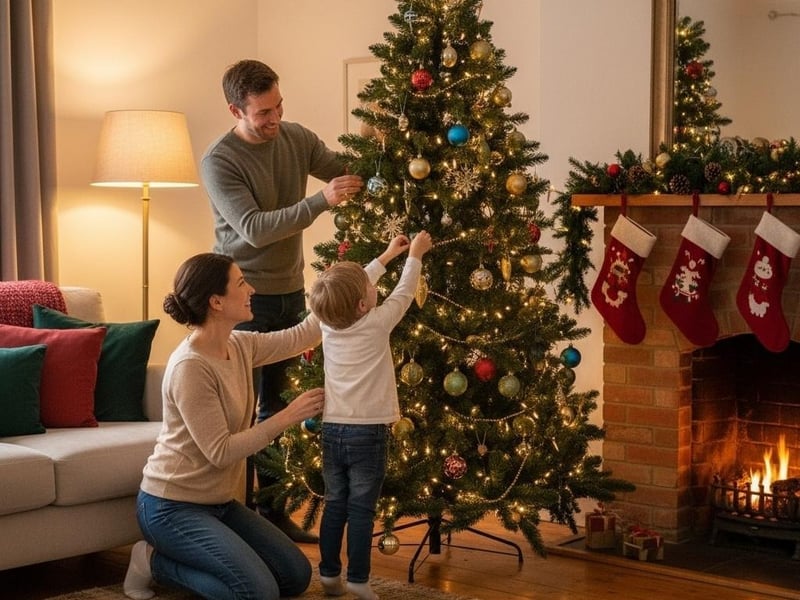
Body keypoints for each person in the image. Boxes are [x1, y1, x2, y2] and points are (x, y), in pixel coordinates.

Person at [200, 58, 363, 542]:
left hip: (291, 290)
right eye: (262, 113)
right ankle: (234, 515)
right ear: (236, 109)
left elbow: (344, 171)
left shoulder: (295, 138)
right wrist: (321, 202)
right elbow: (252, 230)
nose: (274, 120)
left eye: (278, 108)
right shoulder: (219, 160)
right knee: (242, 411)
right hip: (239, 300)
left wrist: (375, 163)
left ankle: (272, 517)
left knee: (279, 405)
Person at [123, 252, 324, 600]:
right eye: (242, 283)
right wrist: (288, 416)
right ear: (216, 301)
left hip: (219, 503)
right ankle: (153, 561)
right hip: (171, 506)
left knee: (295, 575)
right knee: (257, 592)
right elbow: (221, 452)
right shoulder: (191, 367)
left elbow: (302, 336)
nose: (253, 290)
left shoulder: (240, 344)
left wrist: (370, 267)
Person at [307, 231, 433, 600]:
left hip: (332, 431)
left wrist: (386, 255)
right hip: (369, 434)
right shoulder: (377, 323)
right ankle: (359, 580)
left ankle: (329, 574)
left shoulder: (327, 324)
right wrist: (415, 257)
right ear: (363, 305)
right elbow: (405, 293)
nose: (371, 286)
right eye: (368, 288)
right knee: (361, 509)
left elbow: (346, 288)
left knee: (335, 503)